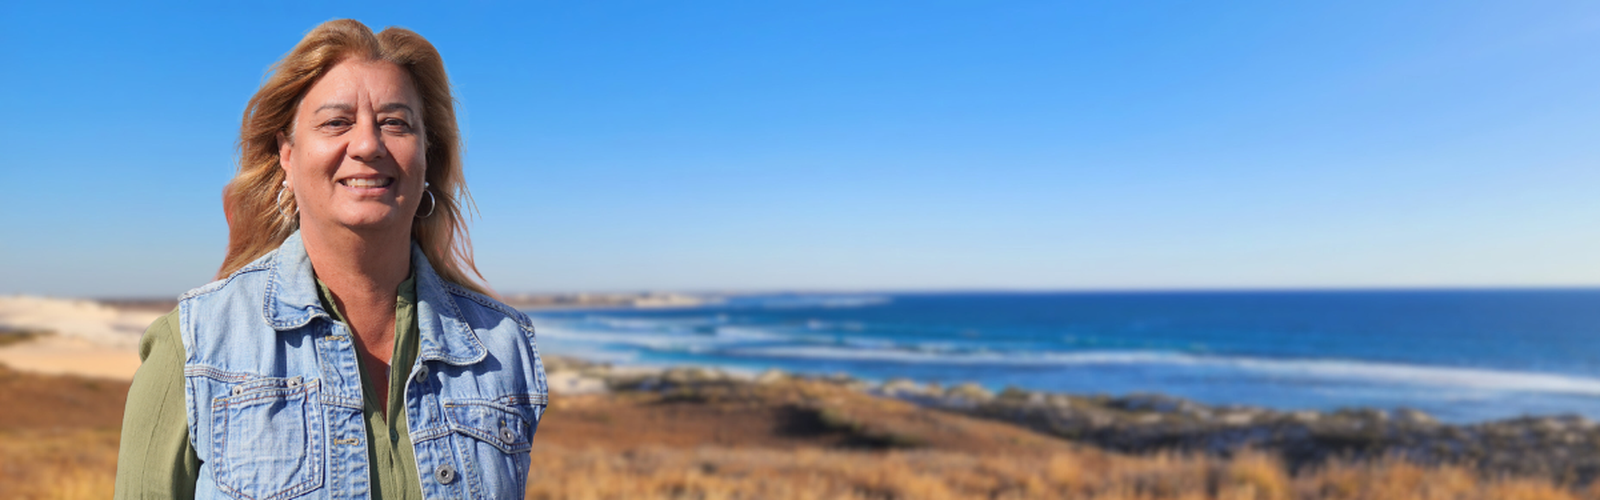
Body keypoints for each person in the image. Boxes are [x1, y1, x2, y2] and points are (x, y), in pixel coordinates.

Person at [114, 19, 548, 499]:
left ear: (428, 155)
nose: (367, 145)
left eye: (395, 123)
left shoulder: (503, 349)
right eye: (336, 122)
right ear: (287, 154)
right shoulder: (194, 345)